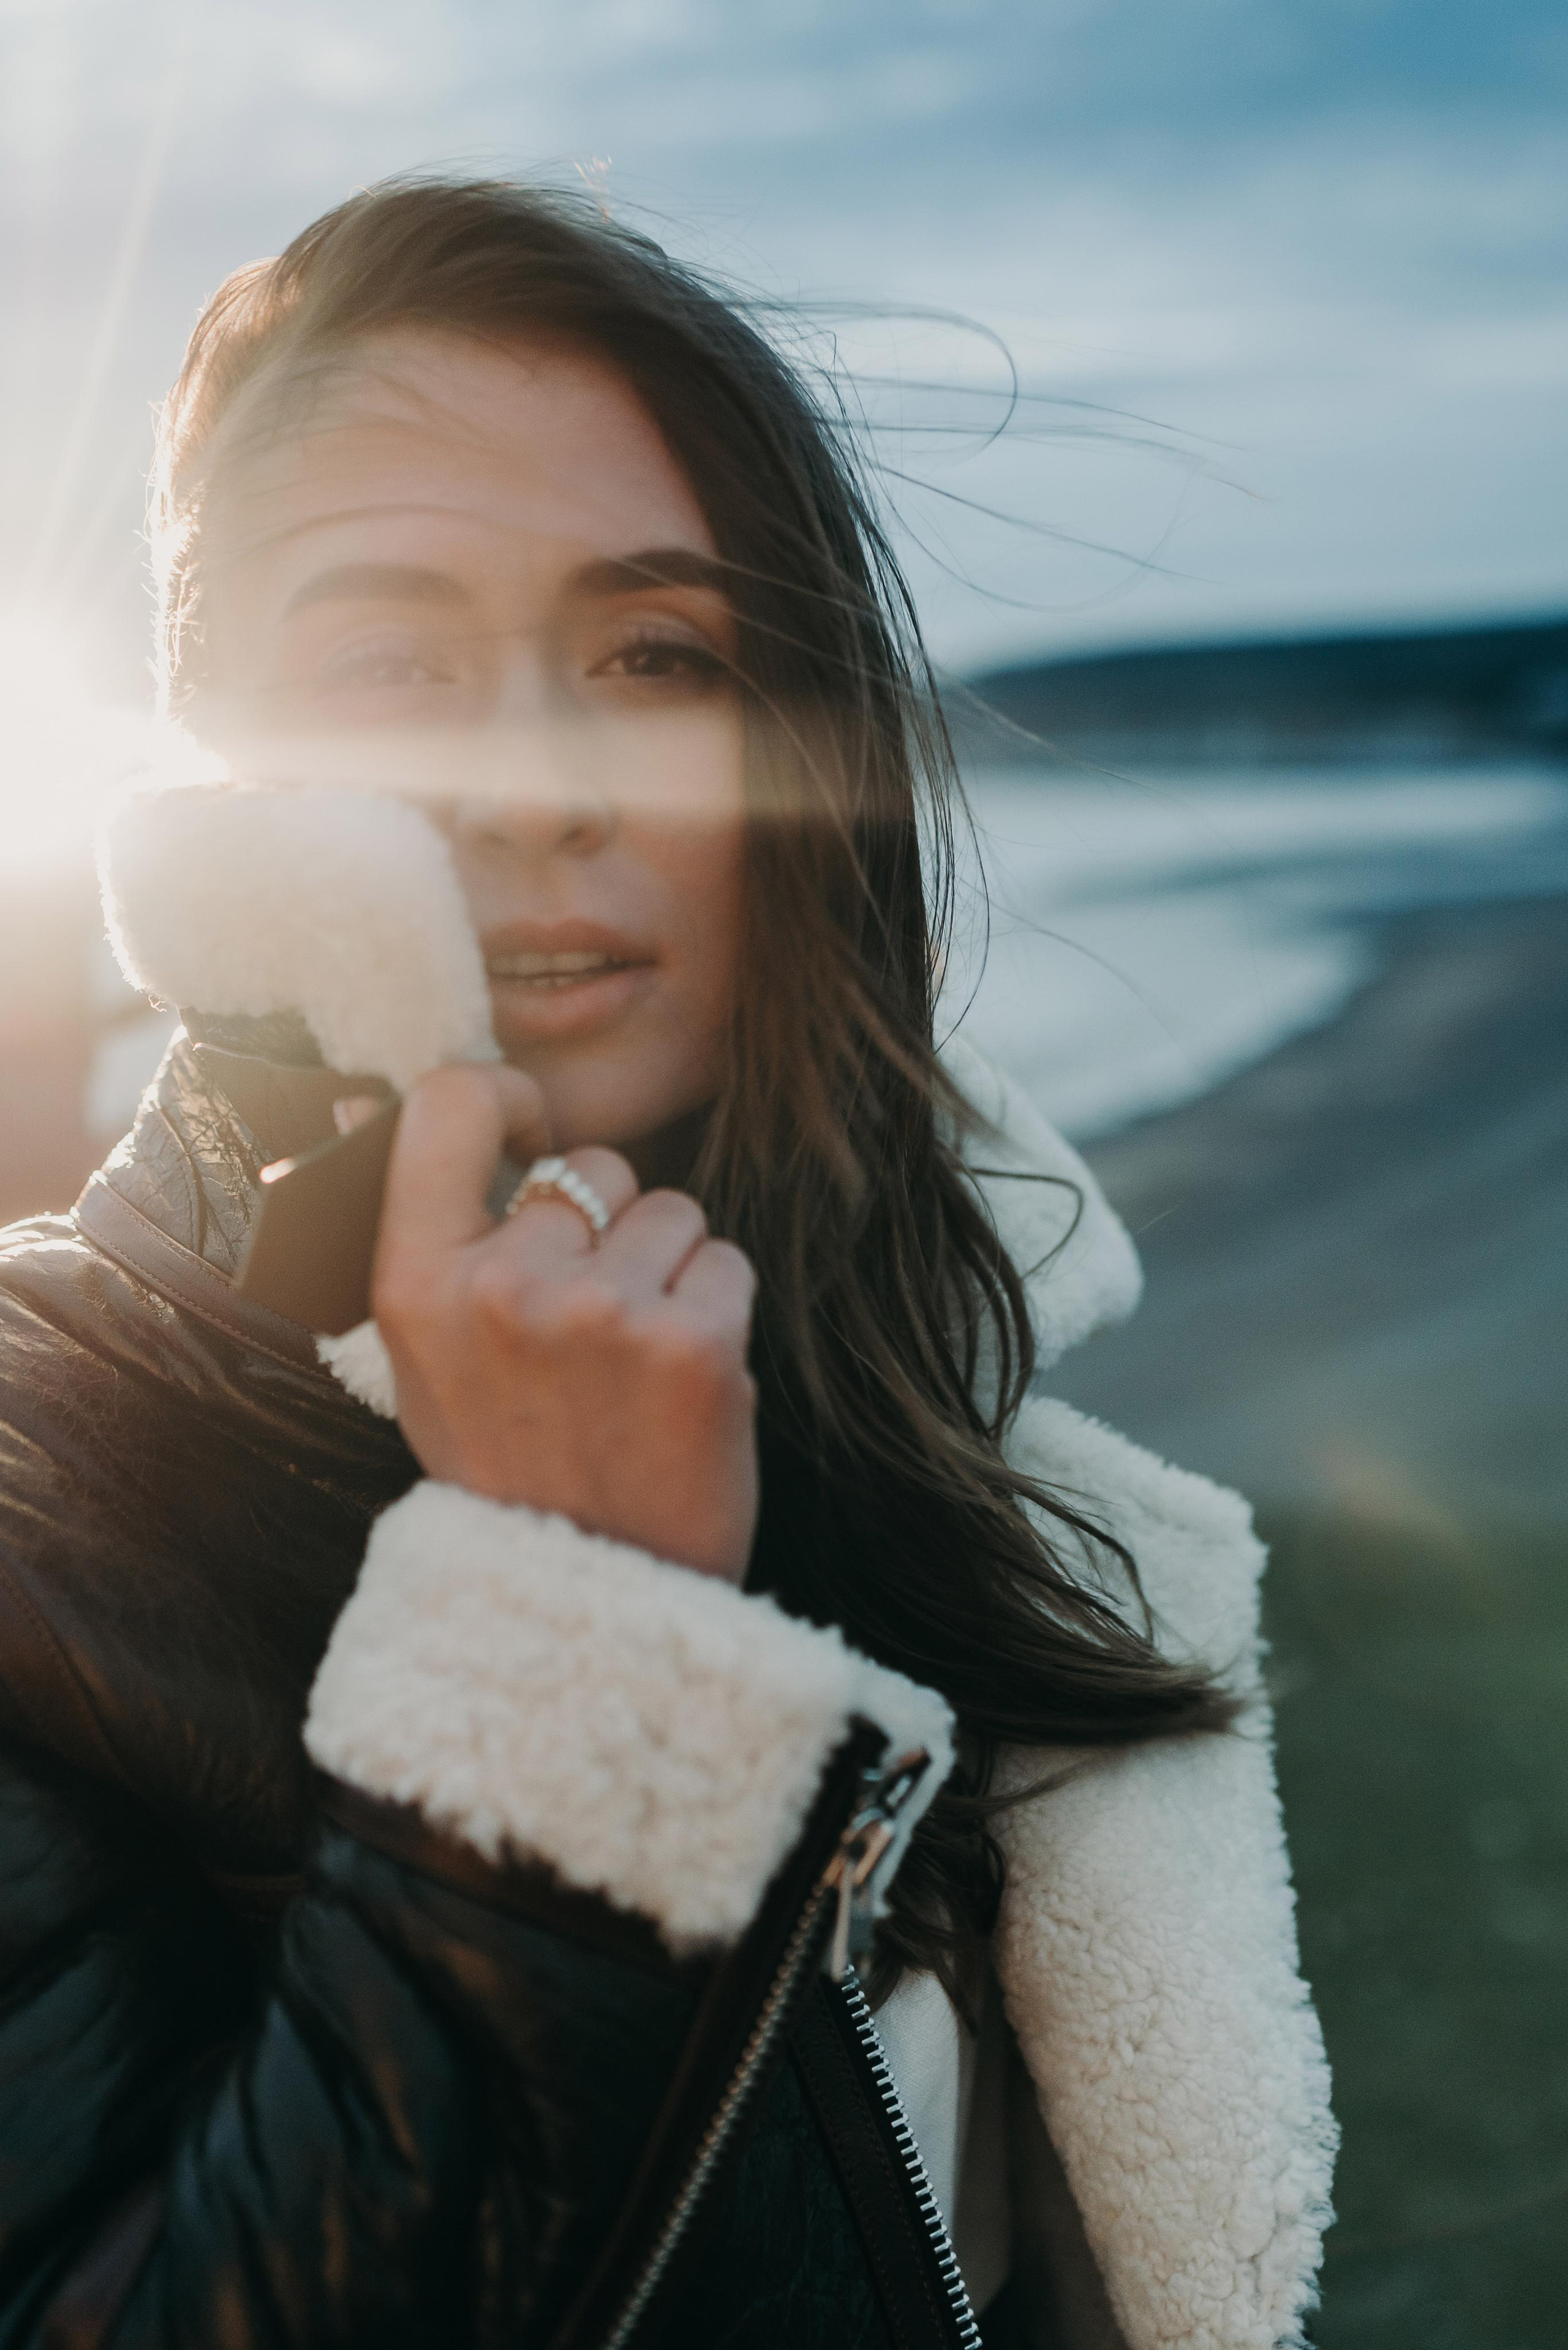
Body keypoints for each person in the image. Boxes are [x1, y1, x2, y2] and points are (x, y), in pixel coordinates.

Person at [0, 178, 1335, 2349]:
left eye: (655, 655)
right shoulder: (38, 1497)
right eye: (395, 663)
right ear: (209, 773)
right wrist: (570, 1642)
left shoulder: (964, 1453)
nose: (538, 789)